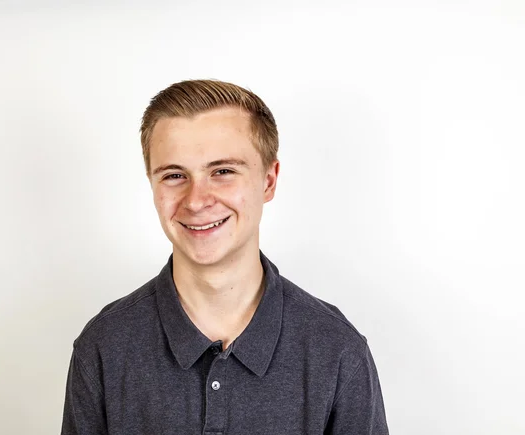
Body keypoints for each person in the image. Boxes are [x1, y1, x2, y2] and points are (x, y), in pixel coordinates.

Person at [60, 79, 389, 434]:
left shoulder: (338, 351)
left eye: (222, 172)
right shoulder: (103, 347)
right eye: (174, 175)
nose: (197, 200)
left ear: (268, 181)